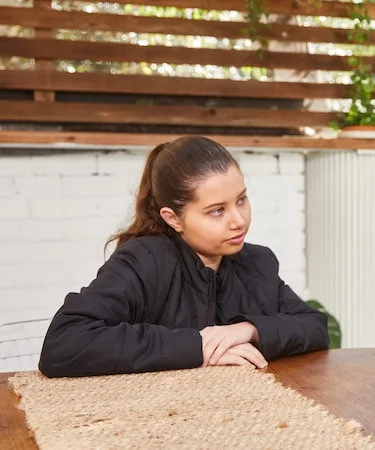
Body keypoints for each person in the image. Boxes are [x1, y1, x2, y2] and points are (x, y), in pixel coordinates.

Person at [39, 136, 329, 378]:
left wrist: (248, 330)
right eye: (217, 210)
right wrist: (199, 345)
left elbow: (315, 327)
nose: (238, 220)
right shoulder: (144, 261)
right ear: (173, 218)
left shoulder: (258, 262)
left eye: (241, 200)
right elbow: (64, 343)